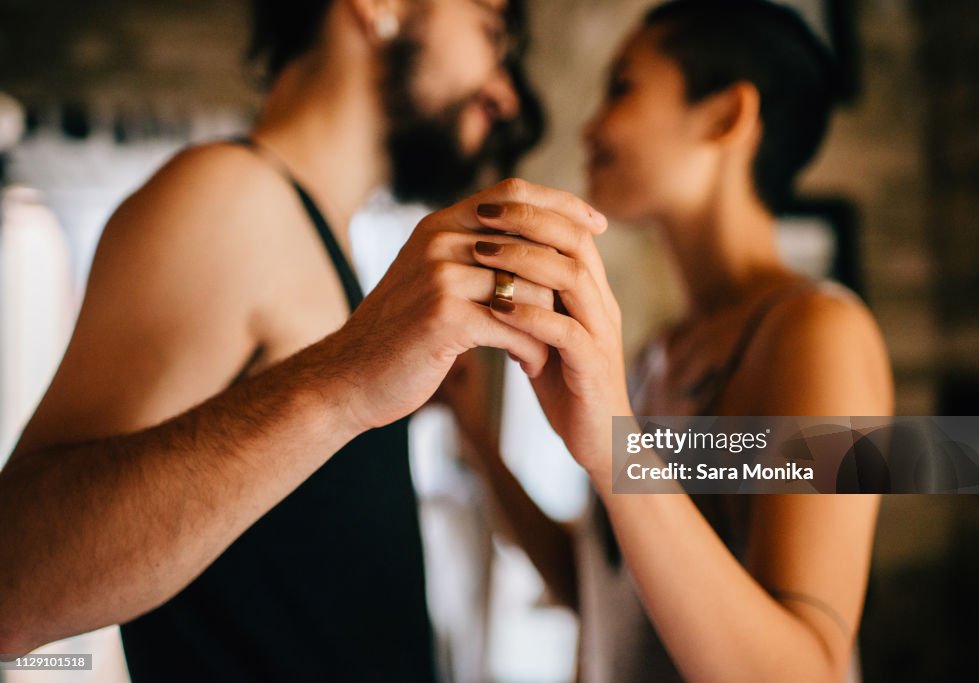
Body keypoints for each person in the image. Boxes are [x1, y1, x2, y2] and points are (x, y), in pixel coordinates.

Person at [0, 1, 608, 680]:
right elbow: (12, 585)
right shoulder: (228, 198)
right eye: (492, 33)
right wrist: (347, 377)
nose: (503, 91)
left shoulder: (319, 232)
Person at [445, 1, 893, 680]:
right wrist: (477, 438)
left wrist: (612, 439)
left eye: (621, 87)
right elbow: (599, 589)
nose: (590, 125)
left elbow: (810, 670)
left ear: (725, 115)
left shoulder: (817, 334)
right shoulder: (652, 354)